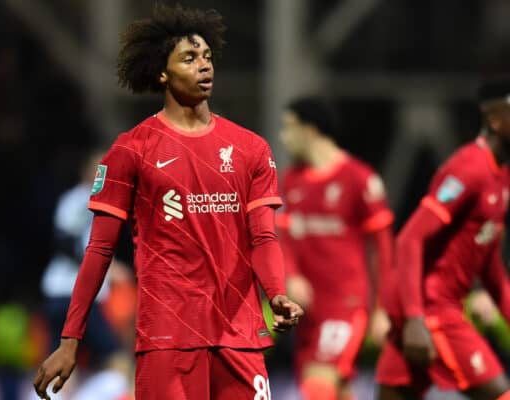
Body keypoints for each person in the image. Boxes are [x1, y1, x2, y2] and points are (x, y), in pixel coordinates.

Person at [33, 4, 303, 400]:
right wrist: (70, 340)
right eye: (190, 58)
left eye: (208, 57)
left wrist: (276, 292)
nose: (204, 66)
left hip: (238, 336)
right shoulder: (132, 150)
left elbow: (263, 237)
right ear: (163, 72)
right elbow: (100, 249)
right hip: (168, 338)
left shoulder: (250, 149)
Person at [376, 78, 510, 400]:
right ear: (494, 120)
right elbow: (409, 239)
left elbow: (487, 259)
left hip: (430, 311)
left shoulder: (501, 177)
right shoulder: (469, 169)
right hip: (432, 310)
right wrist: (415, 320)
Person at [276, 97, 394, 400]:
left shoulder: (359, 179)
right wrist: (291, 275)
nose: (283, 137)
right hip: (309, 312)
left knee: (318, 384)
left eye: (290, 128)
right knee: (337, 390)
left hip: (346, 303)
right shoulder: (292, 180)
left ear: (311, 130)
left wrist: (382, 309)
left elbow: (383, 249)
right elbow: (284, 238)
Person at [39, 149, 131, 399]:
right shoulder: (79, 200)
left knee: (64, 368)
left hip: (66, 294)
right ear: (89, 171)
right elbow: (63, 241)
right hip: (73, 294)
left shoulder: (95, 201)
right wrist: (105, 267)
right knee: (118, 362)